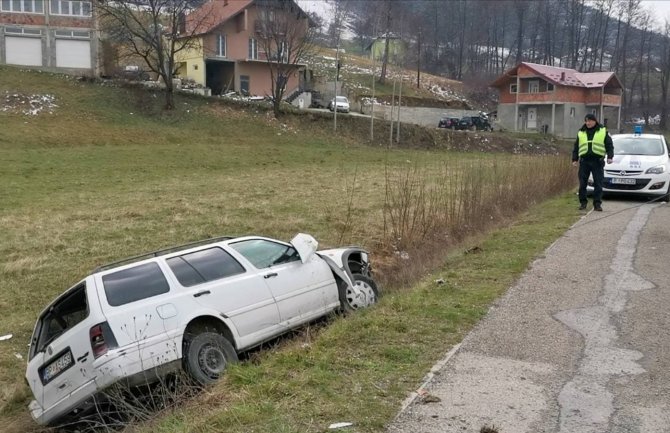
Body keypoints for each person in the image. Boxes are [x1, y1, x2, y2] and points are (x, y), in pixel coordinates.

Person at [572, 113, 614, 211]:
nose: (588, 123)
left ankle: (597, 204)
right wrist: (574, 159)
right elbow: (576, 147)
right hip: (584, 162)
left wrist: (610, 156)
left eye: (590, 121)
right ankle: (583, 203)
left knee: (598, 184)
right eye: (586, 121)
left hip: (597, 161)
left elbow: (609, 145)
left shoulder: (603, 131)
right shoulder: (581, 132)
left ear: (595, 121)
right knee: (582, 184)